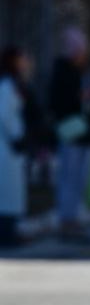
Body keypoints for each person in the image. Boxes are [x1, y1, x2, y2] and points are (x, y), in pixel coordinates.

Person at [49, 28, 90, 244]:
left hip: (87, 135)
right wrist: (79, 97)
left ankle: (73, 219)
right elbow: (56, 102)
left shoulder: (85, 72)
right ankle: (66, 221)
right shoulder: (62, 71)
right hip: (71, 134)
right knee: (68, 178)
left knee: (81, 179)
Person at [0, 47, 30, 247]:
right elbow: (4, 114)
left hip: (12, 146)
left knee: (12, 191)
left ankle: (11, 230)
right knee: (7, 192)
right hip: (6, 144)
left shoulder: (13, 84)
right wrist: (15, 136)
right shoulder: (5, 86)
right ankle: (6, 233)